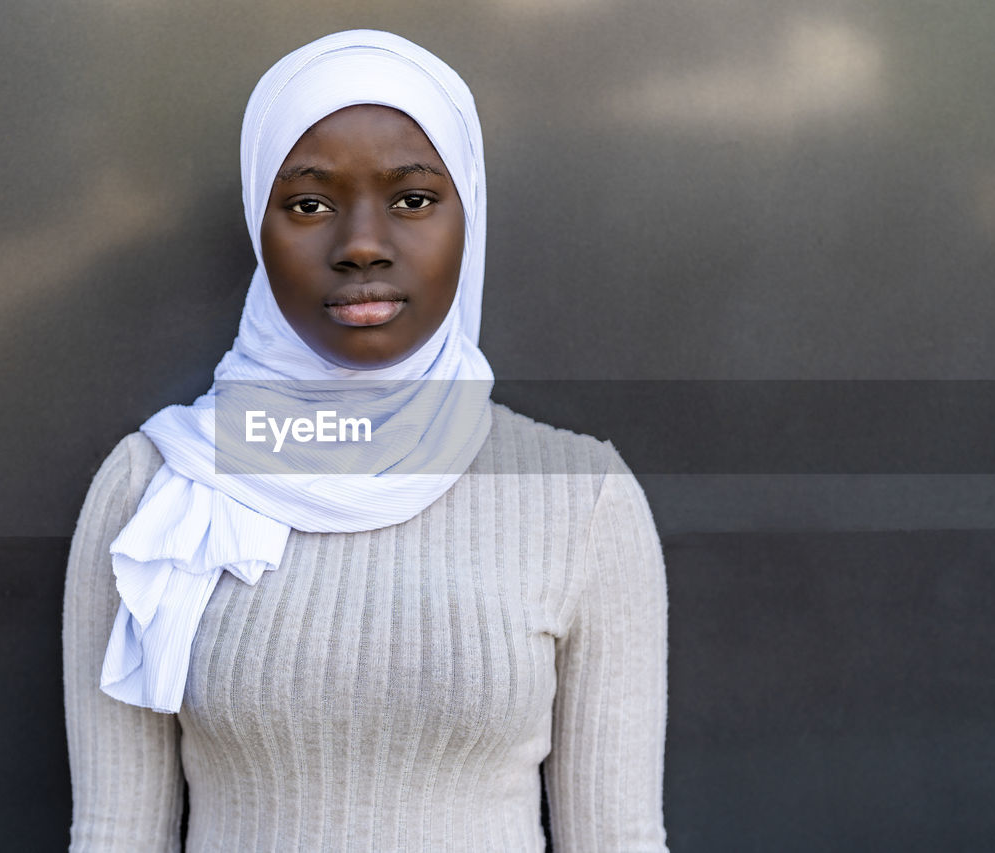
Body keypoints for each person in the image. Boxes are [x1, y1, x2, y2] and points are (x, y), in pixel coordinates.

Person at [63, 29, 668, 852]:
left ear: (471, 218)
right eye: (309, 204)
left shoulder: (578, 496)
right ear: (257, 218)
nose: (361, 246)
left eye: (413, 199)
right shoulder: (159, 488)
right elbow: (113, 837)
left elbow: (619, 840)